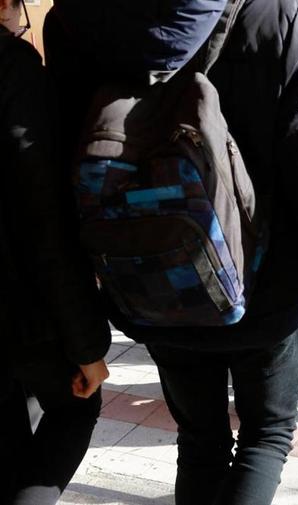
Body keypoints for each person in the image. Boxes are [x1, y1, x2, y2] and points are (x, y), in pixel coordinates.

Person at [43, 2, 298, 505]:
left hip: (151, 279)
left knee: (199, 442)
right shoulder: (279, 15)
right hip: (266, 290)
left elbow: (55, 171)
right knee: (265, 437)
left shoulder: (76, 18)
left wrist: (81, 324)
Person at [0, 0, 112, 503]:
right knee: (75, 407)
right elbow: (44, 218)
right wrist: (87, 345)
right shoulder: (12, 67)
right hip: (17, 311)